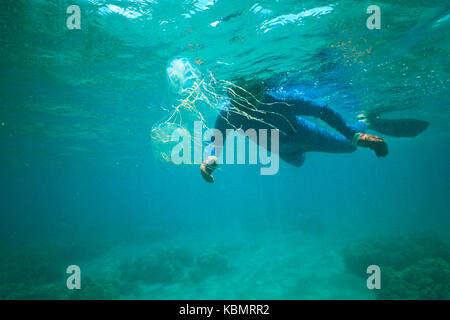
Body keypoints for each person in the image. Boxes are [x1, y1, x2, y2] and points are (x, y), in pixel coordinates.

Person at [200, 79, 390, 183]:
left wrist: (353, 134)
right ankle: (352, 133)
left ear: (260, 88)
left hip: (309, 136)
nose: (247, 103)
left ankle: (363, 122)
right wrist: (209, 158)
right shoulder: (229, 115)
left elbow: (322, 110)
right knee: (298, 163)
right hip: (283, 150)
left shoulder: (280, 98)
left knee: (350, 146)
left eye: (250, 93)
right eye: (240, 97)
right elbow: (216, 140)